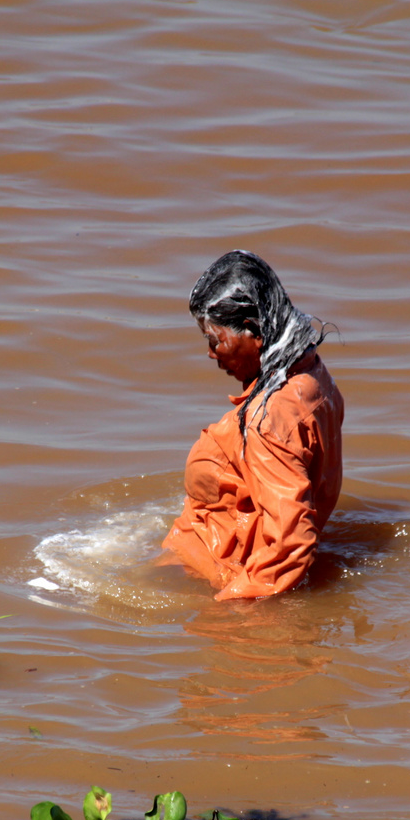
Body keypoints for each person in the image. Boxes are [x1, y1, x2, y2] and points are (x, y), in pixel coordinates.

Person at [161, 251, 345, 601]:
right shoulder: (312, 377)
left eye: (215, 340)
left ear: (255, 331)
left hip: (213, 572)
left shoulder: (268, 418)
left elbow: (289, 545)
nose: (212, 355)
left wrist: (235, 613)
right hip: (212, 553)